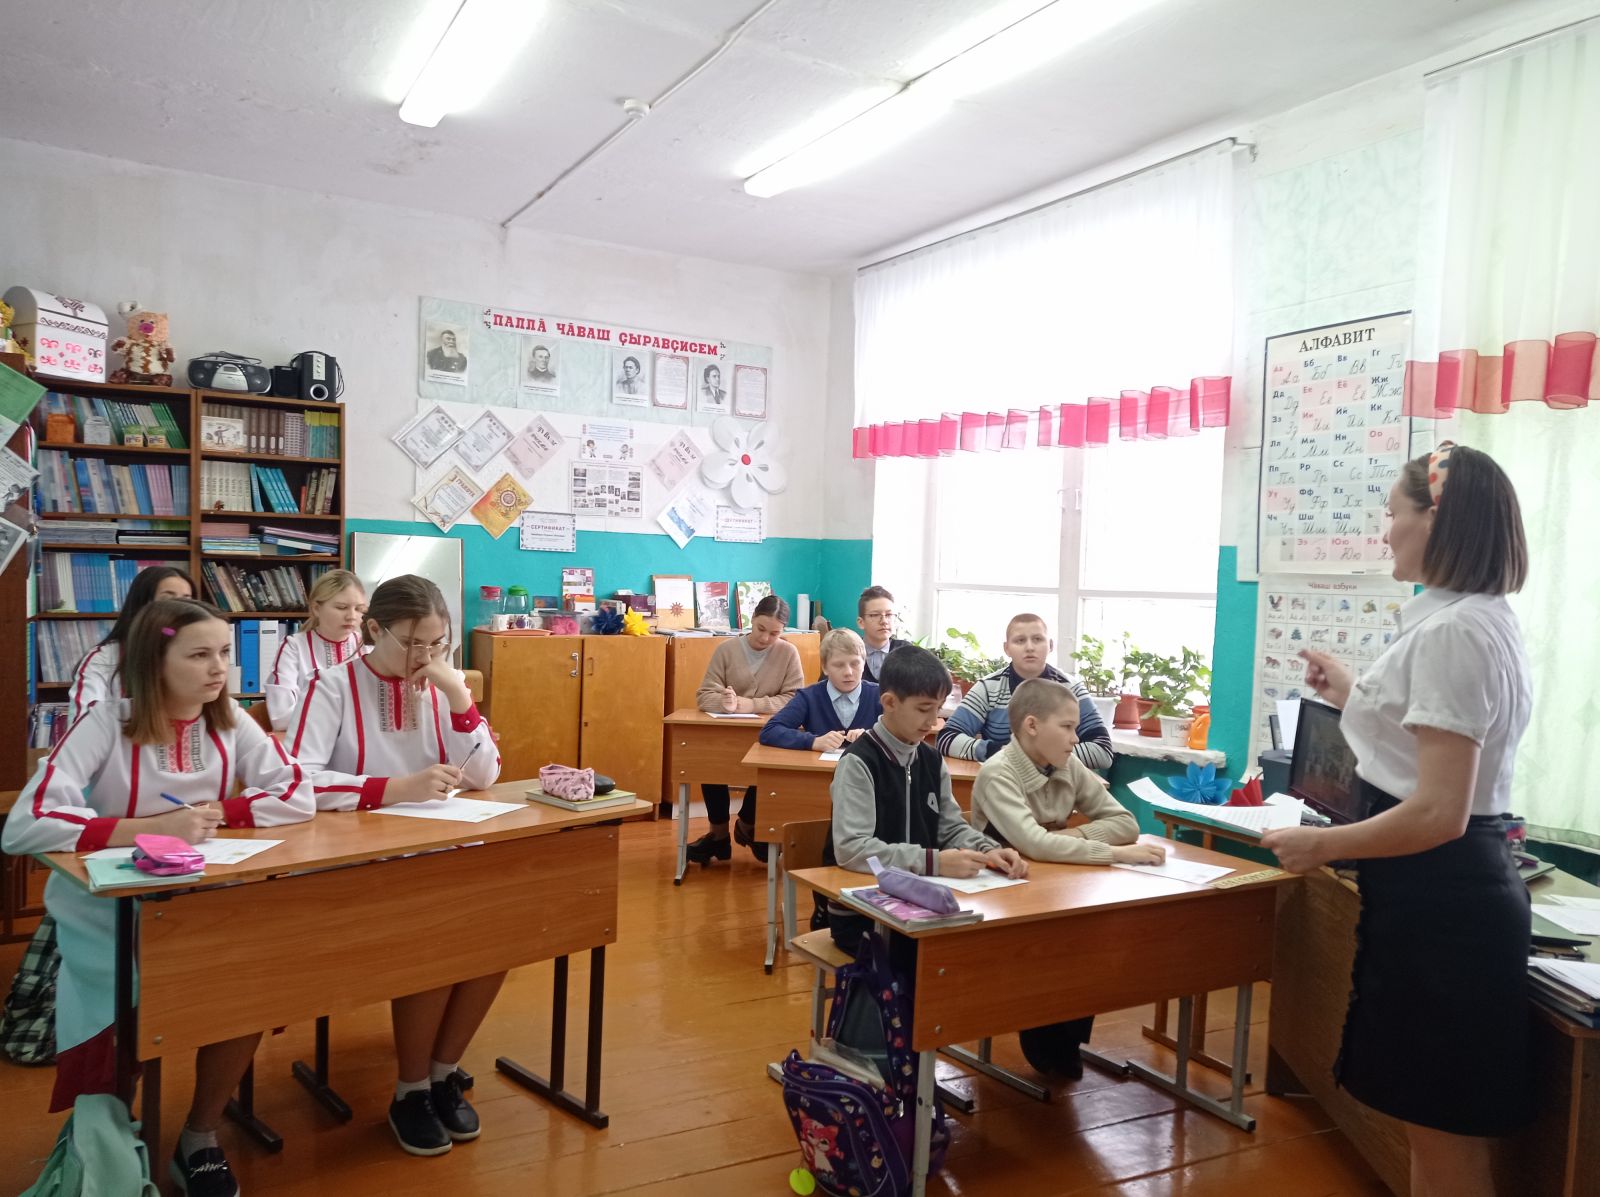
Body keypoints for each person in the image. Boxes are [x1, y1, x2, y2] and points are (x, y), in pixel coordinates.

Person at [1260, 443, 1532, 1197]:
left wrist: (1322, 845)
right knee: (1429, 1129)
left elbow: (1440, 811)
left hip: (1444, 904)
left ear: (1435, 521)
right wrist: (1351, 691)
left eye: (1392, 513)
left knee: (1444, 1143)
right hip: (1435, 895)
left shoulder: (1454, 633)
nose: (1384, 532)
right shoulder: (1475, 619)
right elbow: (1423, 750)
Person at [3, 598, 315, 1196]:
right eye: (199, 655)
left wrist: (218, 811)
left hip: (205, 905)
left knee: (248, 986)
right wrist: (145, 829)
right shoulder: (105, 722)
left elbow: (296, 792)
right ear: (154, 662)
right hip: (109, 916)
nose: (219, 668)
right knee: (129, 1012)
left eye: (224, 652)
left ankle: (200, 1135)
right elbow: (25, 825)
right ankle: (111, 1143)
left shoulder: (231, 720)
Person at [288, 575, 502, 1158]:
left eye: (436, 644)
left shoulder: (438, 685)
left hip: (436, 851)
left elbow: (485, 775)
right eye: (411, 643)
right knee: (433, 933)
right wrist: (395, 788)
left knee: (499, 933)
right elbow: (296, 782)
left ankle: (442, 1073)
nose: (423, 656)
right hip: (355, 863)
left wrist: (459, 697)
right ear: (374, 629)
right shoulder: (331, 686)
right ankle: (411, 1090)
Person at [970, 678, 1165, 1077]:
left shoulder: (1067, 764)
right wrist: (1111, 853)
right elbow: (1032, 846)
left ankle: (1064, 1038)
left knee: (1091, 938)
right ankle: (1041, 1032)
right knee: (1052, 949)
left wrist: (1062, 840)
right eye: (1067, 727)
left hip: (1058, 884)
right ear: (1031, 725)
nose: (1076, 739)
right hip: (1004, 898)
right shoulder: (998, 773)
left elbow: (1125, 823)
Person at [824, 644, 1028, 952]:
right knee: (949, 959)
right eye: (923, 708)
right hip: (864, 916)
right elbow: (852, 849)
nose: (933, 721)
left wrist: (989, 850)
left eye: (939, 708)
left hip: (923, 905)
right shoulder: (859, 762)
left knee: (996, 945)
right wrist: (934, 862)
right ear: (890, 702)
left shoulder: (931, 760)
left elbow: (950, 827)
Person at [687, 594, 803, 866]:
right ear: (752, 619)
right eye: (761, 629)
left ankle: (748, 823)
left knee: (769, 768)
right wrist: (725, 703)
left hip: (769, 735)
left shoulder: (788, 653)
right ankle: (718, 835)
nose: (765, 638)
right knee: (711, 763)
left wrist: (751, 704)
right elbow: (704, 695)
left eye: (774, 633)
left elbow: (795, 700)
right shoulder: (726, 650)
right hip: (726, 735)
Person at [938, 613, 1113, 769]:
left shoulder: (1071, 689)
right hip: (1003, 781)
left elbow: (1102, 750)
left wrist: (1040, 756)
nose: (1029, 647)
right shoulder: (988, 688)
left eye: (1037, 639)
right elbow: (946, 739)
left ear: (1050, 645)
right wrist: (1002, 752)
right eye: (1020, 640)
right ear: (1007, 648)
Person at [71, 565, 195, 719]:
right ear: (142, 605)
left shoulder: (195, 655)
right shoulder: (103, 658)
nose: (179, 609)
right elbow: (82, 724)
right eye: (167, 600)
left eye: (187, 601)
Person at [266, 569, 367, 731]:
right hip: (309, 741)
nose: (352, 616)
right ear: (316, 608)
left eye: (359, 609)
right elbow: (281, 718)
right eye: (342, 607)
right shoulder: (293, 647)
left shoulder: (368, 648)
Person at [760, 628, 881, 752]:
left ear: (863, 664)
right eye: (839, 665)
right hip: (819, 764)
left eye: (855, 664)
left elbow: (895, 734)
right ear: (825, 668)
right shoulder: (808, 697)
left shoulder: (879, 695)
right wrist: (813, 741)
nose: (848, 672)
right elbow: (770, 731)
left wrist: (873, 737)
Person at [856, 586, 911, 684]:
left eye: (889, 615)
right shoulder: (850, 652)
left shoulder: (906, 651)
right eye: (875, 615)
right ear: (861, 622)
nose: (884, 621)